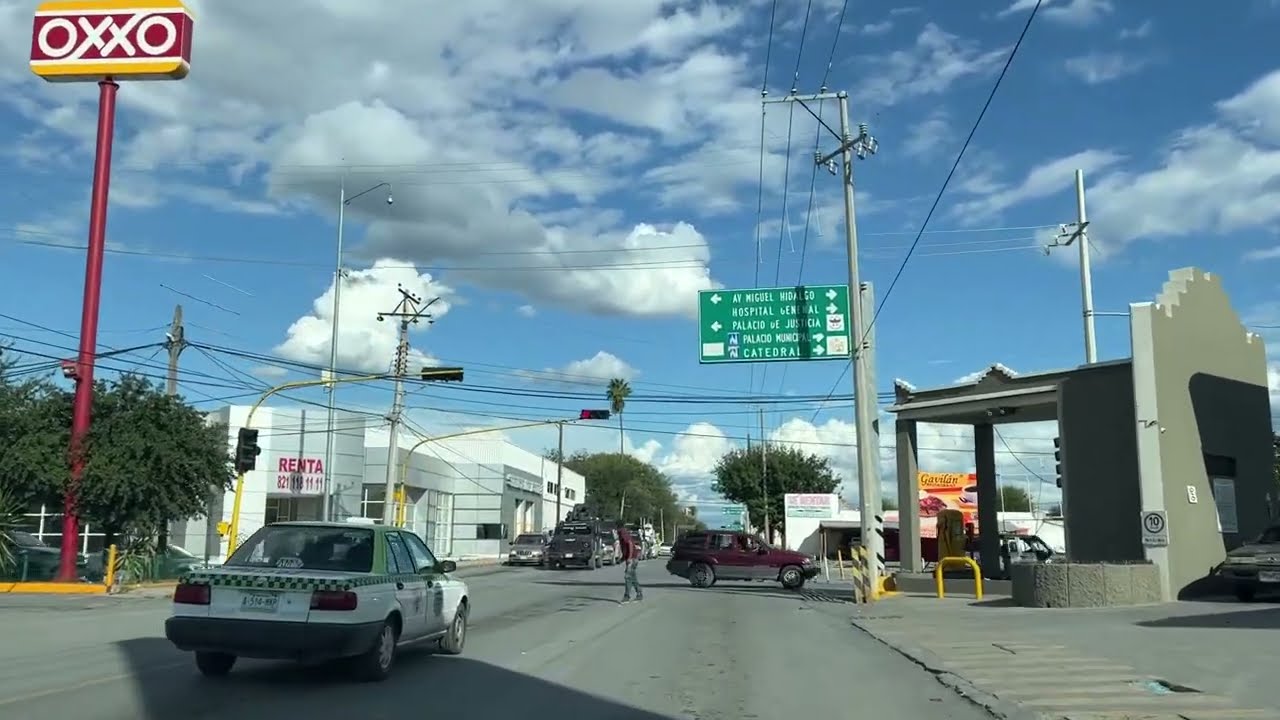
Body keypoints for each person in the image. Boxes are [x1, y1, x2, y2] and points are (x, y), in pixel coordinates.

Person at [617, 526, 643, 604]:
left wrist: (629, 558)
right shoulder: (623, 533)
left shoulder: (622, 533)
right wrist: (622, 559)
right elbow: (626, 549)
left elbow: (630, 544)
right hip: (633, 558)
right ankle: (639, 594)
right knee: (633, 577)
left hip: (632, 559)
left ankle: (627, 596)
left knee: (628, 577)